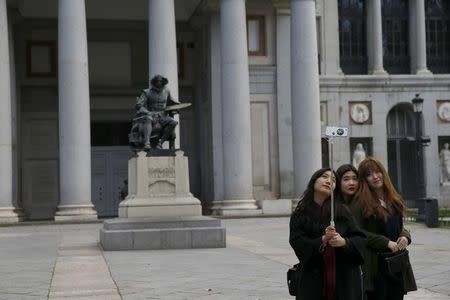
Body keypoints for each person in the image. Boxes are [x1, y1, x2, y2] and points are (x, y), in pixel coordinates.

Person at [289, 168, 365, 300]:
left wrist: (344, 242)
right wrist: (322, 240)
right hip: (313, 280)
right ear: (314, 181)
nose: (329, 181)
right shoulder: (300, 214)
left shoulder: (342, 211)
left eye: (333, 180)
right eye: (324, 176)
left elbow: (360, 239)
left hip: (344, 281)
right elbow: (298, 243)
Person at [351, 157, 415, 300]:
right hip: (375, 265)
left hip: (396, 262)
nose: (375, 177)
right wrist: (385, 242)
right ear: (364, 179)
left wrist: (405, 236)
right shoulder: (360, 202)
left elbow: (400, 226)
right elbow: (357, 231)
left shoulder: (392, 198)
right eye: (369, 174)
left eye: (377, 171)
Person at [129, 74, 179, 150]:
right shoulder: (147, 92)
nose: (159, 83)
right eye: (157, 81)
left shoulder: (167, 91)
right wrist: (147, 112)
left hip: (163, 116)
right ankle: (147, 143)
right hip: (151, 114)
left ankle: (160, 143)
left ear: (163, 82)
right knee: (148, 119)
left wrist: (178, 106)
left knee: (173, 123)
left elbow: (171, 102)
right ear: (154, 82)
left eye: (160, 81)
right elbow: (139, 105)